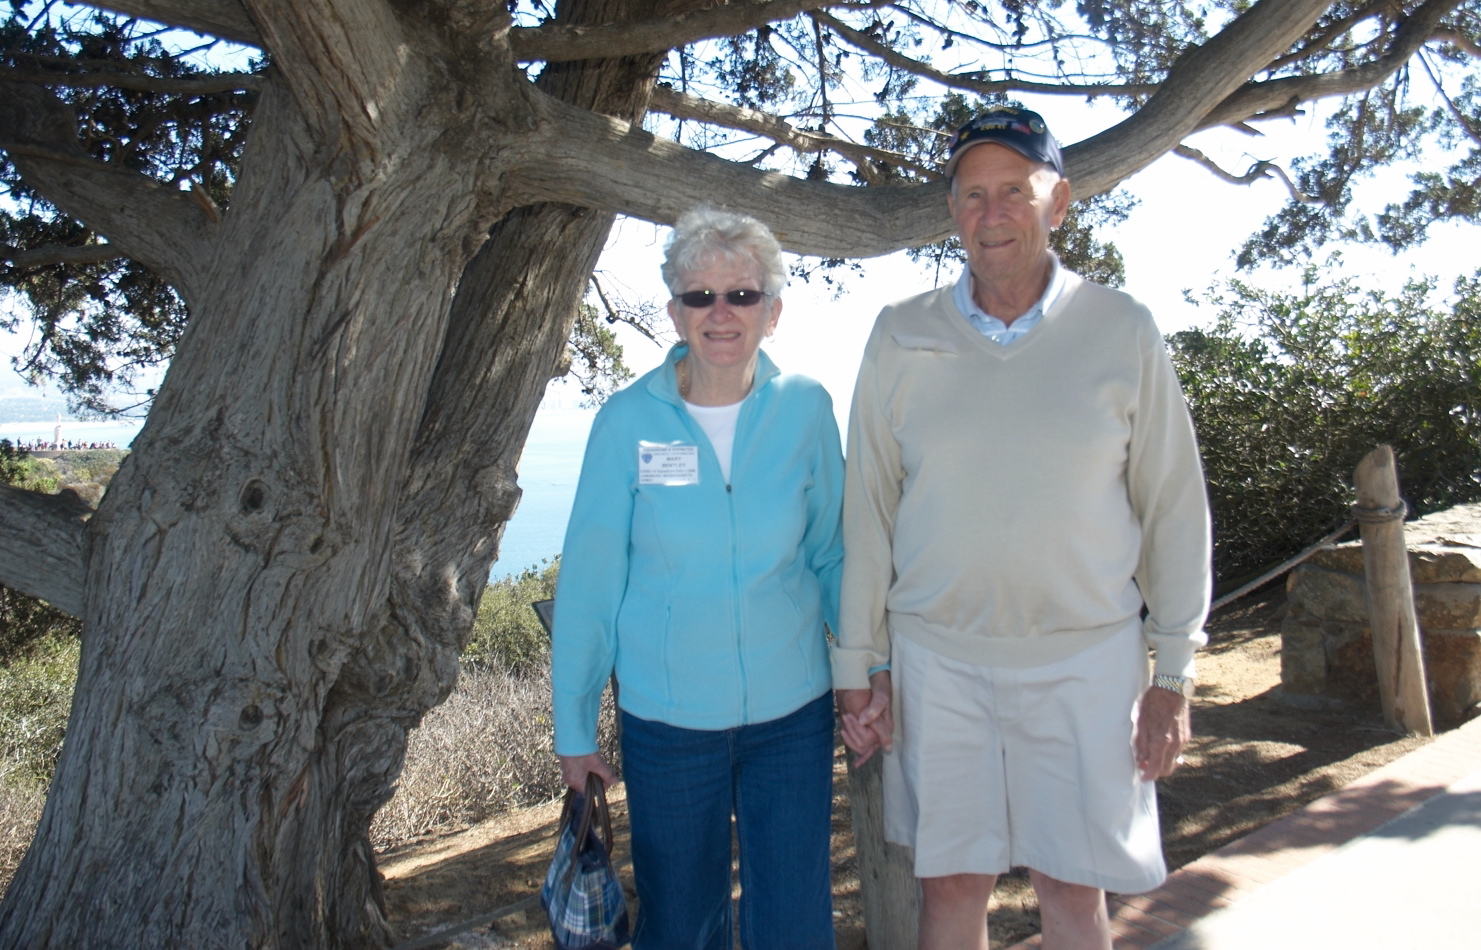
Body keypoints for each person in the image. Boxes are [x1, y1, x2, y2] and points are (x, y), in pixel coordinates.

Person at [832, 107, 1212, 950]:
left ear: (1060, 202)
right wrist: (858, 662)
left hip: (1088, 662)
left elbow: (1173, 508)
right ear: (952, 210)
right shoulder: (900, 333)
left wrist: (1174, 671)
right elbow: (869, 511)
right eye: (972, 195)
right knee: (952, 887)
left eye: (1014, 191)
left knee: (1074, 892)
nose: (991, 213)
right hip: (939, 663)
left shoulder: (1123, 330)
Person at [551, 205, 844, 950]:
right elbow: (590, 585)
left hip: (794, 713)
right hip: (669, 722)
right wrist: (574, 729)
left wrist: (865, 669)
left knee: (795, 920)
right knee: (680, 925)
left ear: (772, 311)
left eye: (741, 295)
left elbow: (833, 553)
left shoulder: (807, 409)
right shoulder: (624, 423)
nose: (721, 313)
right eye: (699, 296)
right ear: (675, 311)